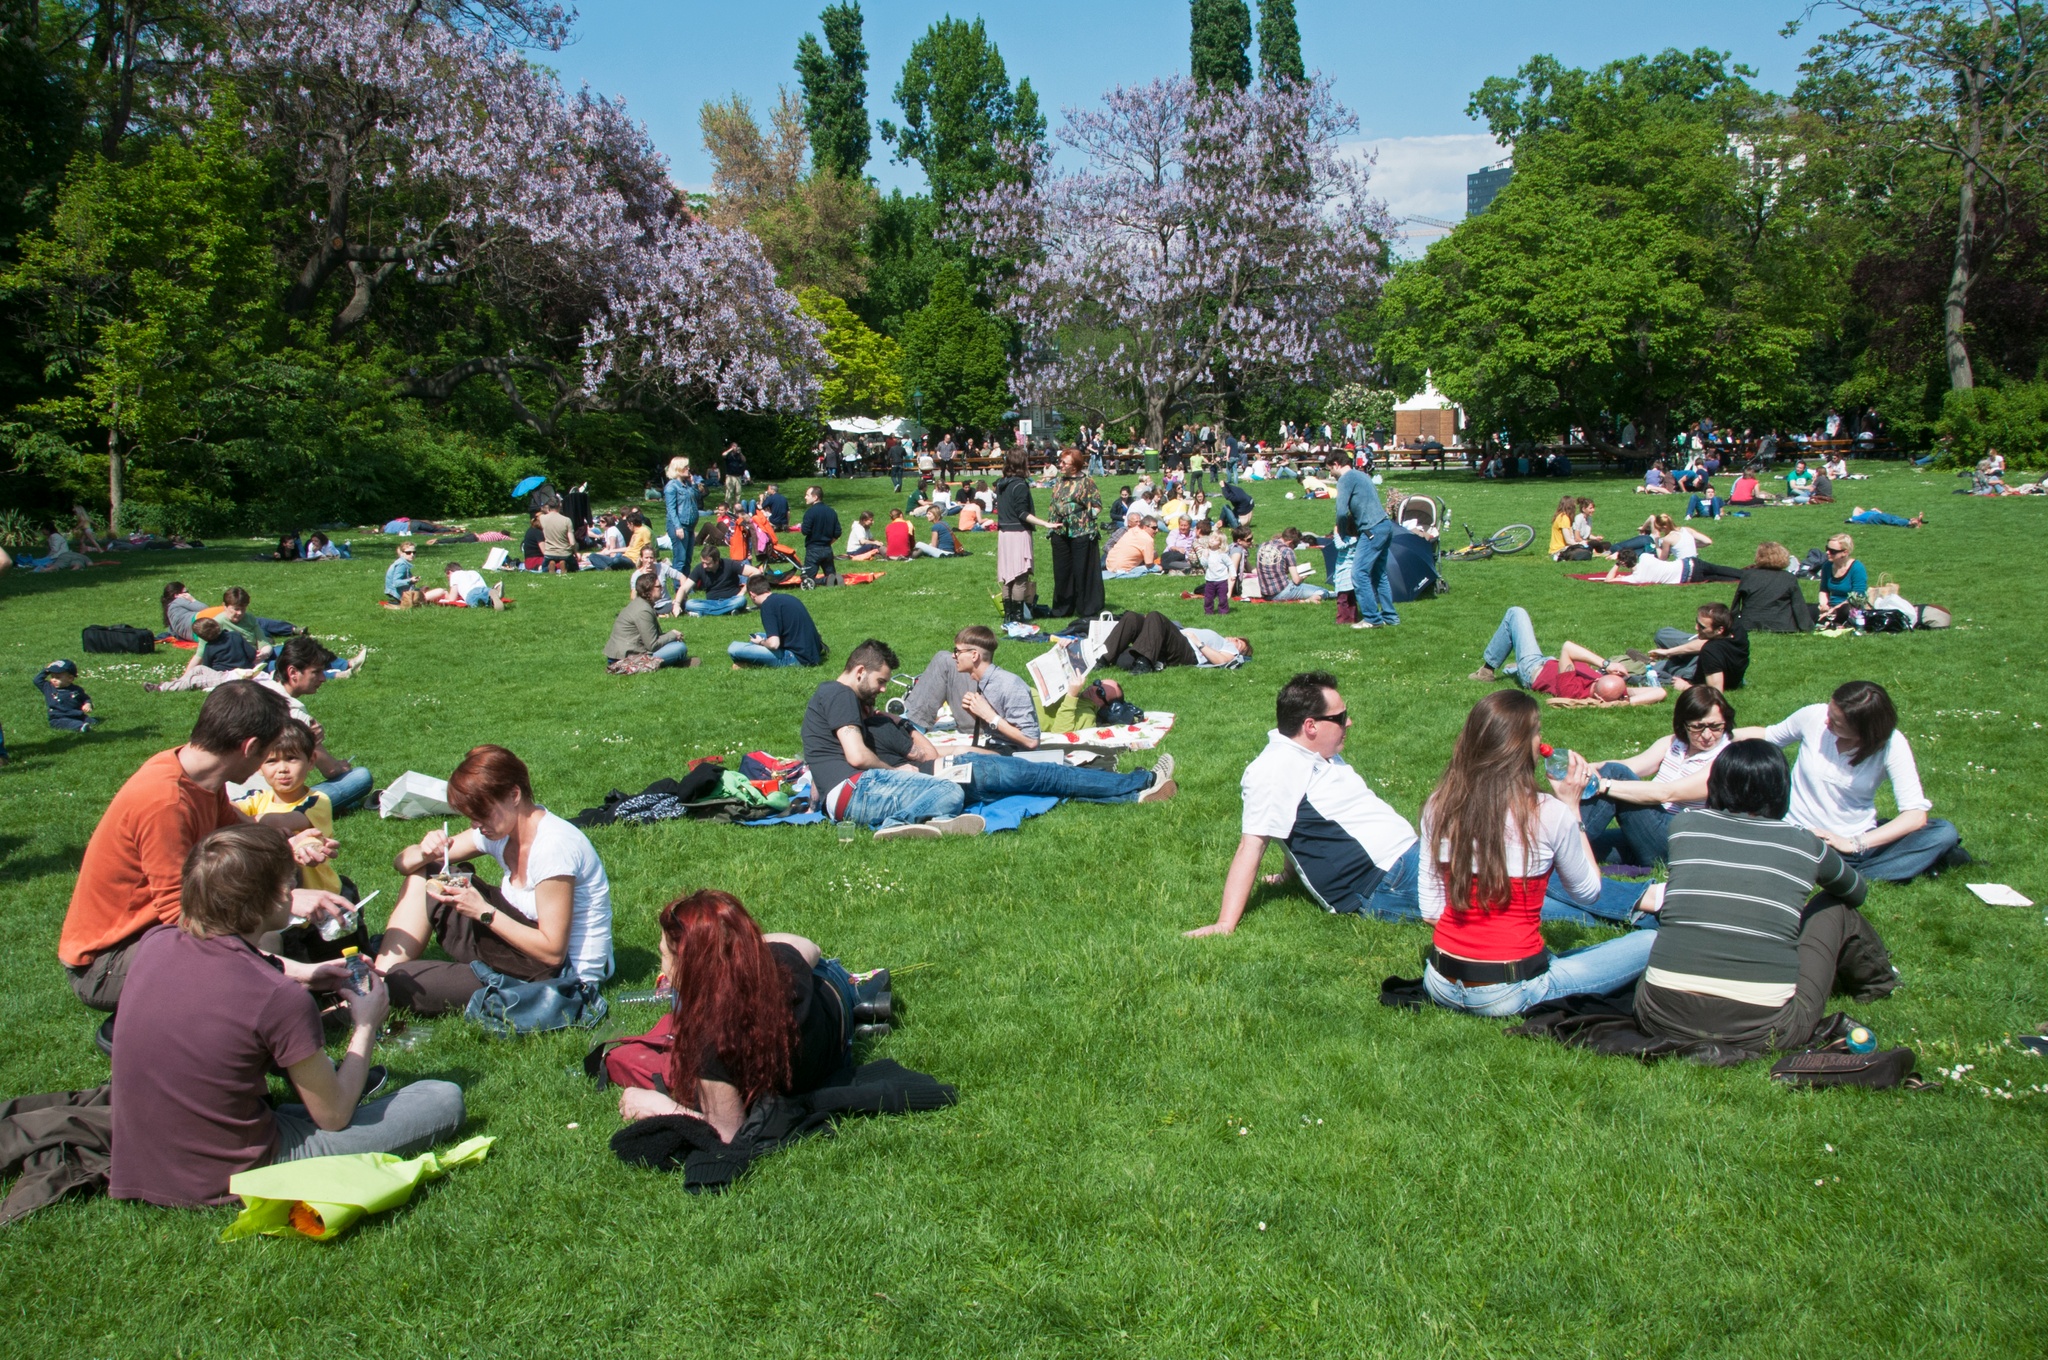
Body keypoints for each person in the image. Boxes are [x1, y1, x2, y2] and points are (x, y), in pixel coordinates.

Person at [108, 825, 465, 1207]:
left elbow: (241, 966)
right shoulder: (278, 999)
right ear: (276, 896)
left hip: (141, 1159)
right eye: (288, 884)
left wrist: (309, 973)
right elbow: (334, 1115)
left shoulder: (156, 943)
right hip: (233, 1174)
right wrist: (365, 1023)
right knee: (443, 1099)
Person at [58, 682, 345, 1011]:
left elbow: (242, 830)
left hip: (154, 937)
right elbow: (182, 917)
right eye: (267, 752)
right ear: (250, 747)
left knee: (260, 933)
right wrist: (288, 907)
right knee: (242, 946)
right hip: (107, 962)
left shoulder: (197, 773)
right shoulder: (165, 802)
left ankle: (276, 1004)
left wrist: (293, 844)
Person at [1633, 740, 1896, 1053]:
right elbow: (1855, 891)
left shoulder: (1684, 826)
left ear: (1715, 784)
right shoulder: (1804, 843)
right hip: (1768, 1029)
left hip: (1657, 1016)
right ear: (1782, 788)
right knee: (1834, 906)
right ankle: (1878, 983)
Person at [1417, 692, 1657, 1017]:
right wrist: (1573, 808)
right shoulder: (1549, 813)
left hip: (1440, 981)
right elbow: (1588, 892)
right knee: (1651, 941)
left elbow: (1431, 910)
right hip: (1508, 991)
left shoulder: (1438, 804)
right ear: (1523, 745)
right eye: (1537, 731)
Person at [613, 890, 878, 1139]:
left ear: (692, 962)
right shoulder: (775, 966)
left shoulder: (712, 1039)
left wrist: (659, 1106)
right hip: (834, 1009)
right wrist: (740, 947)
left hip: (833, 1021)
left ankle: (862, 998)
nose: (661, 967)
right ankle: (863, 1000)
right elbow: (811, 948)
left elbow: (727, 1132)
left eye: (664, 955)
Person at [376, 744, 614, 1014]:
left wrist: (483, 912)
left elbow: (553, 952)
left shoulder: (552, 847)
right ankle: (376, 978)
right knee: (433, 874)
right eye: (471, 817)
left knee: (405, 980)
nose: (476, 825)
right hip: (519, 951)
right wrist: (424, 851)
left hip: (560, 976)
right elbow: (404, 864)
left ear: (514, 794)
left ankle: (379, 990)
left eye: (482, 814)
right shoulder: (500, 831)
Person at [1188, 672, 1421, 935]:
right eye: (1340, 718)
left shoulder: (1316, 751)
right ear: (1310, 726)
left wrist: (1289, 875)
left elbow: (1293, 821)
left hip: (1411, 856)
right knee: (1473, 898)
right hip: (1385, 880)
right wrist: (1225, 923)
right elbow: (1250, 846)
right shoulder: (1273, 771)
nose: (1350, 722)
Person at [1738, 681, 1963, 882]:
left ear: (1863, 731)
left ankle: (1853, 876)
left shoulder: (1892, 745)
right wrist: (1715, 731)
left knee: (1943, 831)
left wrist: (1852, 843)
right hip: (1800, 836)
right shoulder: (1813, 717)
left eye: (1837, 722)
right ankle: (1878, 872)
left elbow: (1914, 814)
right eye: (1830, 712)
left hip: (1855, 843)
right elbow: (1769, 735)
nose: (1827, 722)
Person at [800, 640, 986, 839]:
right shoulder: (841, 694)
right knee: (949, 789)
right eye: (880, 681)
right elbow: (857, 757)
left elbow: (817, 762)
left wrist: (813, 807)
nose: (883, 690)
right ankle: (897, 823)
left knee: (942, 792)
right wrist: (895, 770)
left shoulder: (827, 695)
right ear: (860, 671)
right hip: (856, 790)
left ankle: (936, 820)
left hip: (839, 802)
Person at [1579, 686, 1735, 866]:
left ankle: (1554, 844)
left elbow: (1668, 793)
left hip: (1680, 841)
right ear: (1683, 724)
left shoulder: (1727, 759)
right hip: (1650, 830)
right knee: (1587, 848)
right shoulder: (1674, 743)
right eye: (1698, 727)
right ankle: (1558, 844)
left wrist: (1603, 785)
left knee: (1615, 775)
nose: (1707, 735)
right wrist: (1590, 767)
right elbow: (1631, 765)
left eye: (1716, 726)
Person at [255, 637, 375, 812]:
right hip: (269, 801)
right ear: (293, 672)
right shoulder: (294, 713)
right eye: (316, 672)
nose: (323, 679)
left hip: (234, 792)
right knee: (360, 777)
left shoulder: (257, 691)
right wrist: (341, 765)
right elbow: (331, 770)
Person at [233, 720, 345, 898]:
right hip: (280, 900)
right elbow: (226, 807)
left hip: (319, 896)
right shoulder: (256, 798)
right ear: (259, 766)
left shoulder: (316, 801)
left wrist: (245, 821)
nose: (283, 769)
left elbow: (278, 821)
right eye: (271, 761)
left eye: (291, 758)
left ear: (311, 761)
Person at [1467, 606, 1666, 706]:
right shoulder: (1611, 694)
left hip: (1535, 668)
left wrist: (1606, 663)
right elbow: (1660, 693)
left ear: (1597, 695)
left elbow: (1568, 648)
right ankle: (1513, 668)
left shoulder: (1572, 690)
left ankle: (1487, 670)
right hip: (1550, 663)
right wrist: (1621, 703)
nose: (1601, 674)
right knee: (1526, 659)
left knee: (1516, 613)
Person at [902, 624, 1041, 752]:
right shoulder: (982, 681)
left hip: (1010, 755)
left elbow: (1031, 740)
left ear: (974, 655)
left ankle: (907, 732)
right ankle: (904, 731)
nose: (953, 655)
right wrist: (976, 712)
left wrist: (989, 715)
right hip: (995, 747)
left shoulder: (1010, 685)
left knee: (955, 753)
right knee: (927, 753)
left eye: (957, 651)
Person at [1327, 451, 1396, 629]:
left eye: (1330, 470)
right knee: (1379, 574)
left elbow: (1341, 511)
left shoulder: (1345, 479)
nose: (1330, 474)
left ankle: (1372, 618)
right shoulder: (1362, 475)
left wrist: (1342, 532)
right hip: (1385, 525)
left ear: (1336, 464)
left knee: (1358, 573)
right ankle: (1390, 616)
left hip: (1371, 529)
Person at [1689, 541, 1814, 633]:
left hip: (1750, 624)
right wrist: (1806, 627)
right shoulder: (1788, 578)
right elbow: (1798, 606)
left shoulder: (1749, 575)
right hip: (1781, 625)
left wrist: (1730, 624)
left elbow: (1736, 604)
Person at [995, 445, 1056, 624]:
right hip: (1018, 534)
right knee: (1020, 577)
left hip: (1004, 534)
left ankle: (1008, 618)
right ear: (1022, 462)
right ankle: (1018, 619)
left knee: (1008, 577)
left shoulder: (1001, 483)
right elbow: (1022, 513)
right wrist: (1046, 523)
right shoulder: (1019, 485)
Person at [1047, 447, 1105, 618]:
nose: (1061, 465)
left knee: (1082, 570)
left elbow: (1097, 505)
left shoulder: (1087, 482)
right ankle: (1062, 608)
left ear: (1075, 466)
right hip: (1059, 532)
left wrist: (1083, 516)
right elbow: (1053, 502)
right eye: (1060, 462)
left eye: (1064, 462)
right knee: (1062, 571)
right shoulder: (1059, 481)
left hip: (1081, 531)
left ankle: (1087, 608)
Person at [1643, 602, 1748, 692]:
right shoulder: (1738, 629)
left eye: (1702, 627)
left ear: (1719, 630)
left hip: (1693, 673)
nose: (1696, 627)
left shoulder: (1711, 651)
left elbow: (1716, 692)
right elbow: (1705, 645)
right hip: (1716, 665)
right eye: (1697, 622)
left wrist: (1686, 686)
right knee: (1662, 634)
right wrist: (1668, 652)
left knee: (1661, 669)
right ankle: (1665, 660)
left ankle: (1652, 664)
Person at [1096, 610, 1249, 671]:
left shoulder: (1230, 649)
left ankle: (1144, 663)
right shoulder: (1220, 638)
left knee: (1156, 616)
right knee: (1132, 618)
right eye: (1236, 638)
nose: (1235, 639)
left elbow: (1221, 661)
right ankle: (1102, 658)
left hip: (1188, 650)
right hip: (1175, 640)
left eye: (1239, 642)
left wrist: (1199, 643)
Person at [728, 575, 825, 667]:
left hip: (797, 658)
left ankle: (749, 662)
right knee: (759, 635)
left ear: (752, 595)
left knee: (734, 648)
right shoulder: (787, 598)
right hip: (812, 652)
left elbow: (774, 644)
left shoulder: (767, 606)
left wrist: (761, 642)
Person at [606, 574, 696, 671]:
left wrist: (672, 637)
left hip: (624, 653)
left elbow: (652, 638)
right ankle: (674, 662)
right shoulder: (643, 610)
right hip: (625, 658)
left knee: (675, 643)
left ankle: (676, 661)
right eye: (658, 586)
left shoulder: (641, 604)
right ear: (648, 590)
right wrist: (672, 635)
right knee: (680, 648)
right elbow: (652, 645)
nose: (662, 588)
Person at [1254, 527, 1332, 601]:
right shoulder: (1287, 551)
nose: (1294, 548)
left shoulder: (1263, 545)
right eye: (1295, 545)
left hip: (1265, 592)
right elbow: (1296, 580)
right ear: (1290, 542)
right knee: (1323, 591)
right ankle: (1309, 600)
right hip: (1282, 592)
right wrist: (1304, 576)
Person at [687, 541, 755, 616]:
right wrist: (677, 603)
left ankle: (704, 612)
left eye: (708, 563)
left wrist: (742, 593)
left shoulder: (730, 564)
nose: (704, 566)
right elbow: (684, 588)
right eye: (703, 562)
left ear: (717, 561)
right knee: (689, 603)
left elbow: (755, 572)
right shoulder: (700, 568)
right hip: (711, 602)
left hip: (732, 600)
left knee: (741, 600)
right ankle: (728, 610)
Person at [35, 659, 97, 731]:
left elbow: (85, 698)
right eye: (52, 676)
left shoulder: (76, 690)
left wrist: (87, 704)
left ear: (70, 678)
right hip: (59, 717)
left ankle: (87, 722)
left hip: (76, 715)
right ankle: (81, 727)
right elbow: (37, 680)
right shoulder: (48, 688)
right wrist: (46, 670)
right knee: (67, 723)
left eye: (58, 677)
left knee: (91, 721)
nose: (54, 680)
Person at [629, 545, 689, 617]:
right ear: (641, 558)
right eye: (646, 558)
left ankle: (662, 614)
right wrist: (642, 577)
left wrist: (680, 598)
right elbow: (633, 597)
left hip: (665, 603)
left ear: (654, 558)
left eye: (651, 558)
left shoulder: (661, 567)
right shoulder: (637, 575)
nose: (649, 560)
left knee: (688, 604)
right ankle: (661, 614)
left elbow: (682, 577)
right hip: (647, 605)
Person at [662, 457, 701, 570]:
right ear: (678, 469)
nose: (688, 469)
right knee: (680, 559)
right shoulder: (671, 487)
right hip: (679, 526)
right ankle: (678, 586)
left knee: (688, 559)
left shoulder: (687, 484)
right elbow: (671, 509)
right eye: (685, 467)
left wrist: (693, 483)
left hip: (689, 526)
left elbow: (697, 497)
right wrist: (678, 527)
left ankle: (686, 585)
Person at [798, 485, 841, 586]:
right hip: (827, 549)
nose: (805, 497)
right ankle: (833, 579)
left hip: (813, 550)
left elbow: (805, 531)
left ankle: (824, 580)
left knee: (806, 579)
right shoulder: (831, 512)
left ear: (815, 497)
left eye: (807, 495)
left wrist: (803, 525)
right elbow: (838, 532)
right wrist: (829, 542)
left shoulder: (810, 513)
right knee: (831, 575)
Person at [1817, 533, 1868, 615]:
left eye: (1832, 551)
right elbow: (1824, 590)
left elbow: (1857, 597)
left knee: (1845, 610)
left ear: (1845, 552)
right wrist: (1823, 605)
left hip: (1850, 609)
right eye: (1827, 548)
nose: (1827, 552)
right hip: (1831, 607)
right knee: (1807, 609)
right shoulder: (1827, 566)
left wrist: (1834, 610)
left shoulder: (1857, 568)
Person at [1601, 546, 1700, 585]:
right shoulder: (1645, 557)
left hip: (1686, 577)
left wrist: (1617, 563)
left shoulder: (1637, 578)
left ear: (1624, 563)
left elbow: (1608, 580)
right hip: (1688, 563)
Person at [441, 561, 506, 610]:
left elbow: (452, 598)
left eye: (448, 577)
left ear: (449, 572)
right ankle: (493, 593)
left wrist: (446, 594)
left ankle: (490, 597)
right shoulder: (473, 572)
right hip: (483, 588)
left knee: (476, 601)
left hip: (471, 593)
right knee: (485, 595)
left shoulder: (454, 575)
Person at [1198, 531, 1234, 614]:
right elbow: (1204, 564)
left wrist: (1233, 574)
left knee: (1222, 598)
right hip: (1210, 580)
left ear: (1220, 544)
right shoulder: (1207, 552)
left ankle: (1223, 611)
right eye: (1211, 538)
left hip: (1222, 580)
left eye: (1215, 540)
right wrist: (1206, 556)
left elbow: (1230, 564)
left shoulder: (1222, 554)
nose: (1212, 541)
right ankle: (1208, 611)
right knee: (1208, 598)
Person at [538, 500, 577, 571]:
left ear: (548, 507)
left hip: (549, 553)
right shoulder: (567, 520)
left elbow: (542, 511)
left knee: (544, 569)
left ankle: (551, 564)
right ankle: (564, 563)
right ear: (559, 506)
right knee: (574, 568)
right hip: (565, 553)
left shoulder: (542, 518)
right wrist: (575, 553)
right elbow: (572, 543)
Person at [1846, 506, 1924, 528]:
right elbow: (1856, 508)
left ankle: (1912, 521)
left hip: (1878, 515)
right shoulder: (1855, 518)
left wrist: (1874, 510)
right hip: (1873, 518)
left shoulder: (1866, 513)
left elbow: (1858, 508)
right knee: (1891, 521)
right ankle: (1910, 523)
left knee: (1894, 518)